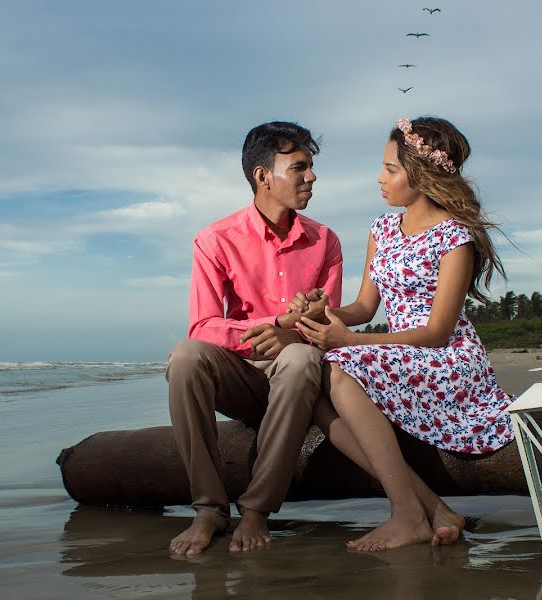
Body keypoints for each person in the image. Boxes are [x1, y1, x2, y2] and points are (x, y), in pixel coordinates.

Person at [295, 116, 514, 552]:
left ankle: (405, 513)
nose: (380, 177)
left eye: (391, 169)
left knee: (337, 367)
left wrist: (349, 342)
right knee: (318, 387)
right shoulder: (382, 230)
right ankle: (431, 510)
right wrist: (326, 312)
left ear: (423, 173)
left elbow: (437, 331)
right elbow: (365, 307)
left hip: (447, 359)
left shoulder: (455, 236)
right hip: (399, 354)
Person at [166, 121, 342, 558]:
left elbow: (328, 325)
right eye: (299, 167)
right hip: (243, 374)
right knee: (186, 357)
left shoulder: (326, 242)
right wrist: (276, 322)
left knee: (300, 358)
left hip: (302, 374)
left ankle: (257, 510)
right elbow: (203, 325)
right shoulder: (215, 239)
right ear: (263, 176)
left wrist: (294, 334)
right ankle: (208, 508)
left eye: (311, 167)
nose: (312, 177)